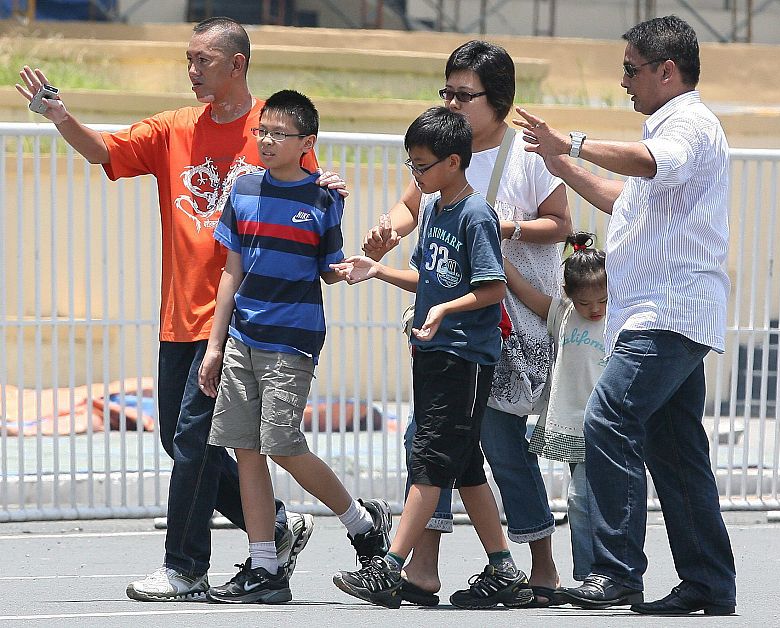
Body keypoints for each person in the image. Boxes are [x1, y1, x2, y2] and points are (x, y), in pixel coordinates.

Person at [15, 17, 347, 601]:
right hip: (179, 313)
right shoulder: (172, 128)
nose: (191, 70)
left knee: (194, 441)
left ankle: (185, 568)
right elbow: (104, 151)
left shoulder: (272, 126)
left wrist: (332, 190)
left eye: (202, 60)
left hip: (240, 321)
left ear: (237, 64)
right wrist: (60, 116)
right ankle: (274, 526)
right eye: (187, 59)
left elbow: (305, 202)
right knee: (179, 438)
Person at [514, 15, 736, 616]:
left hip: (667, 312)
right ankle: (709, 582)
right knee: (675, 449)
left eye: (631, 70)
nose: (624, 82)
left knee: (608, 418)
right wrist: (564, 168)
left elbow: (648, 164)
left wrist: (572, 144)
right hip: (666, 313)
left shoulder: (687, 123)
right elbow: (627, 200)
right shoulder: (668, 130)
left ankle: (614, 572)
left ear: (667, 71)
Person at [362, 40, 570, 606]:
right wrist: (388, 231)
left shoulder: (527, 156)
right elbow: (410, 207)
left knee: (500, 442)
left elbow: (561, 223)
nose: (452, 103)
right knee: (433, 442)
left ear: (497, 98)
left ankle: (541, 568)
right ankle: (425, 568)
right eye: (447, 92)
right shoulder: (442, 149)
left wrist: (507, 228)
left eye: (464, 94)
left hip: (511, 321)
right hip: (454, 328)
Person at [196, 90, 392, 603]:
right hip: (241, 337)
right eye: (261, 131)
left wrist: (357, 267)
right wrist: (215, 346)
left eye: (278, 134)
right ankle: (264, 566)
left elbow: (328, 269)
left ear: (308, 142)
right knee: (245, 448)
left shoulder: (323, 198)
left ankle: (361, 522)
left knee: (281, 443)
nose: (266, 141)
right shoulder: (242, 190)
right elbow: (231, 271)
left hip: (293, 340)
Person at [331, 107, 531, 610]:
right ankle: (504, 569)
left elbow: (492, 288)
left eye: (421, 166)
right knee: (464, 465)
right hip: (434, 351)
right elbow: (429, 278)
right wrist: (377, 270)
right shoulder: (436, 210)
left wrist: (444, 308)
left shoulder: (475, 214)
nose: (415, 176)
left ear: (453, 162)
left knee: (429, 459)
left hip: (464, 357)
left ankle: (390, 566)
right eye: (412, 165)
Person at [506, 232, 607, 592]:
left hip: (603, 425)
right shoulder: (563, 316)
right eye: (585, 302)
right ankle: (593, 573)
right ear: (568, 295)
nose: (595, 309)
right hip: (571, 424)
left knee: (581, 499)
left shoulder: (617, 319)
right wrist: (501, 263)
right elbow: (527, 294)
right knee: (584, 499)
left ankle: (597, 572)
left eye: (602, 300)